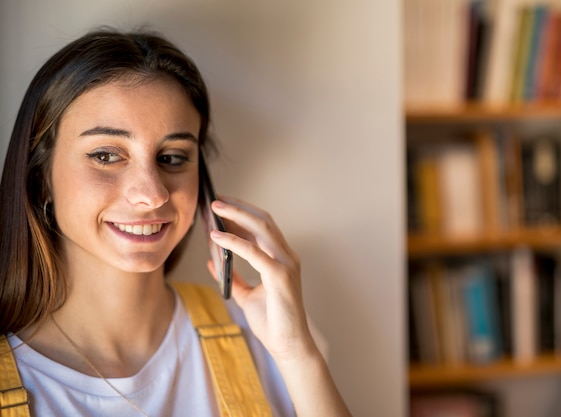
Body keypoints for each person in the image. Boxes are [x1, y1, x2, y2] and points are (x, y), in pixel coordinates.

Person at [0, 28, 352, 417]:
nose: (152, 194)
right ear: (40, 178)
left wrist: (297, 353)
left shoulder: (266, 336)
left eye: (171, 157)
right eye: (105, 155)